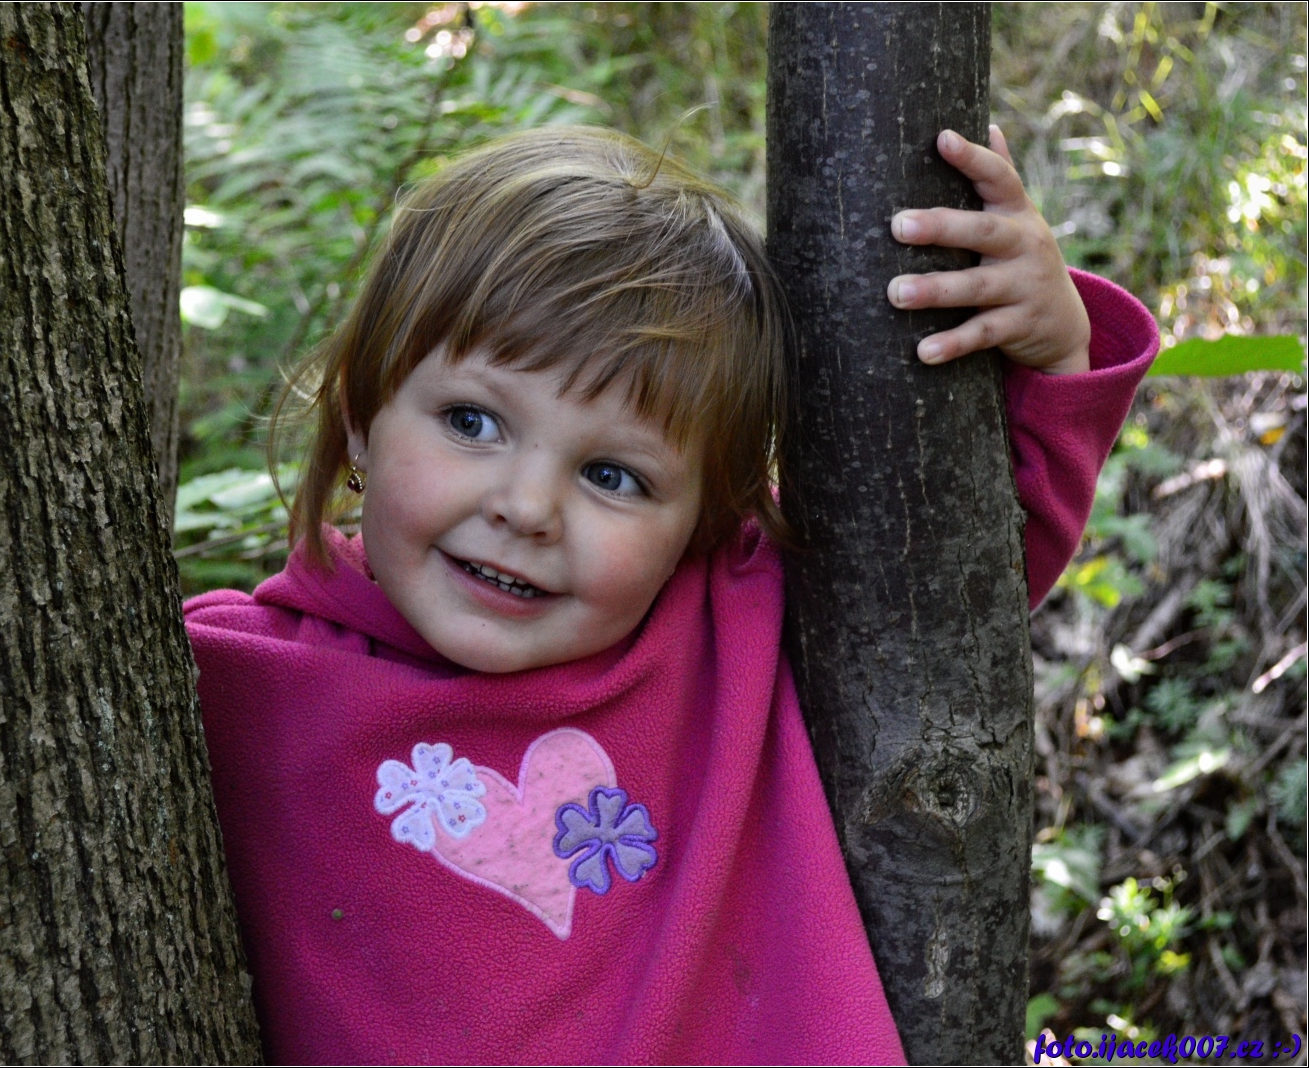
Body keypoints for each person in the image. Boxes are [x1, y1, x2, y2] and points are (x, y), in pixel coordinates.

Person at [184, 124, 1157, 1063]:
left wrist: (1051, 349)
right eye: (472, 421)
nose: (526, 507)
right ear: (360, 413)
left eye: (612, 476)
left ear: (703, 520)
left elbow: (952, 578)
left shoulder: (732, 627)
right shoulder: (225, 683)